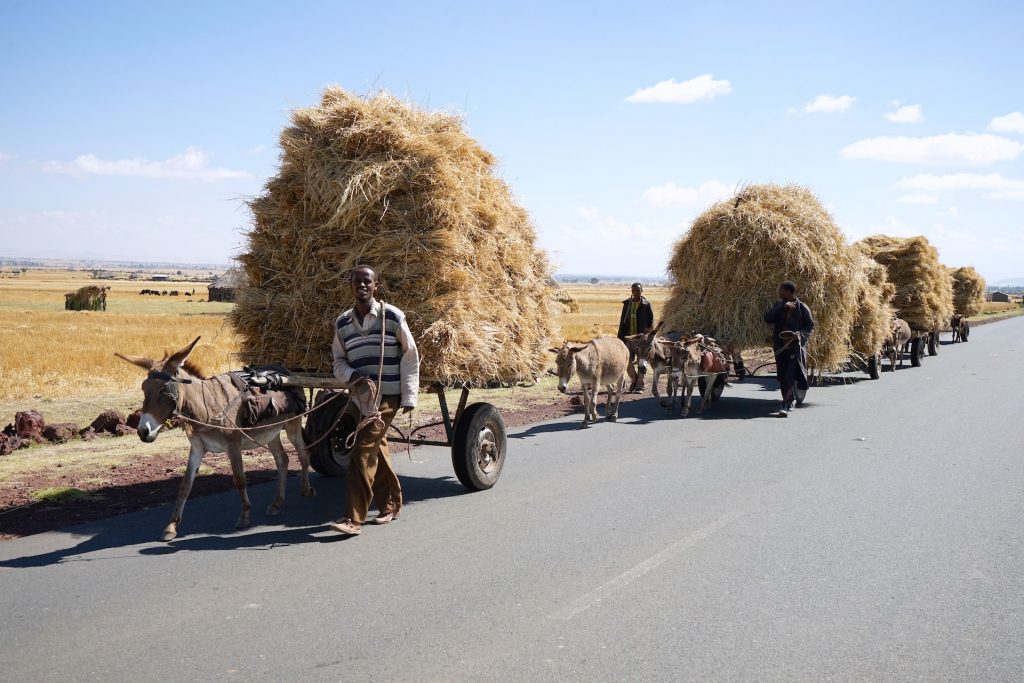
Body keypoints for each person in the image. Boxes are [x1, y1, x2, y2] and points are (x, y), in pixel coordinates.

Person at [329, 265, 419, 536]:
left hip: (387, 397)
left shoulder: (392, 316)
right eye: (357, 282)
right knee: (376, 448)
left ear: (375, 286)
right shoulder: (342, 323)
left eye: (367, 282)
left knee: (361, 450)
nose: (362, 286)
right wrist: (351, 374)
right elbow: (338, 361)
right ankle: (390, 505)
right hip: (361, 398)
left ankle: (353, 518)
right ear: (351, 285)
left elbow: (410, 355)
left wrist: (409, 395)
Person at [763, 280, 814, 417]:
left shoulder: (802, 308)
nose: (779, 292)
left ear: (787, 291)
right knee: (782, 375)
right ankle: (786, 400)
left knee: (789, 375)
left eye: (781, 289)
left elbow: (809, 326)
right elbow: (767, 318)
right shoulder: (778, 305)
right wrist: (781, 307)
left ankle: (787, 403)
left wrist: (799, 334)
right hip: (780, 346)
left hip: (794, 348)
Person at [616, 282, 654, 392]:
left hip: (641, 340)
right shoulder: (627, 304)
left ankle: (640, 386)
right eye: (633, 291)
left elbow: (651, 323)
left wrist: (647, 335)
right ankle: (634, 379)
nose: (635, 293)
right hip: (629, 338)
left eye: (637, 290)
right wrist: (620, 338)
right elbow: (622, 322)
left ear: (642, 291)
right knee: (626, 361)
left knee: (642, 362)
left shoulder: (646, 305)